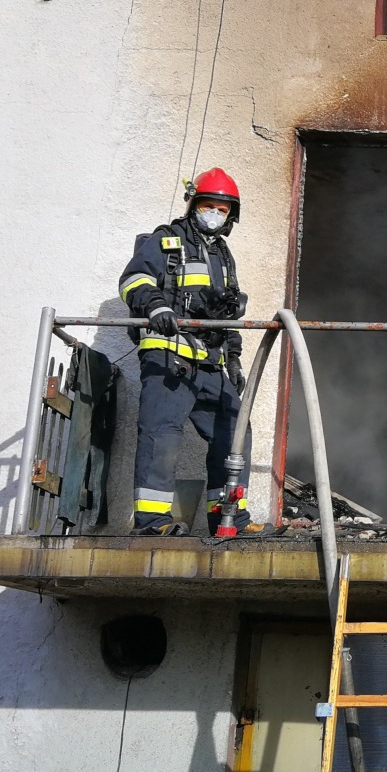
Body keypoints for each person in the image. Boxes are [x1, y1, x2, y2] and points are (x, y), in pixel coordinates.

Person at [119, 168, 253, 536]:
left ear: (230, 216)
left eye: (222, 210)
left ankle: (229, 521)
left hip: (209, 363)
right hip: (168, 356)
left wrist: (234, 357)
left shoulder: (223, 255)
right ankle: (151, 524)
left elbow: (226, 312)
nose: (214, 214)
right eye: (208, 206)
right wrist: (157, 306)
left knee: (235, 432)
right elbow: (133, 280)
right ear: (194, 205)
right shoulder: (167, 240)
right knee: (162, 435)